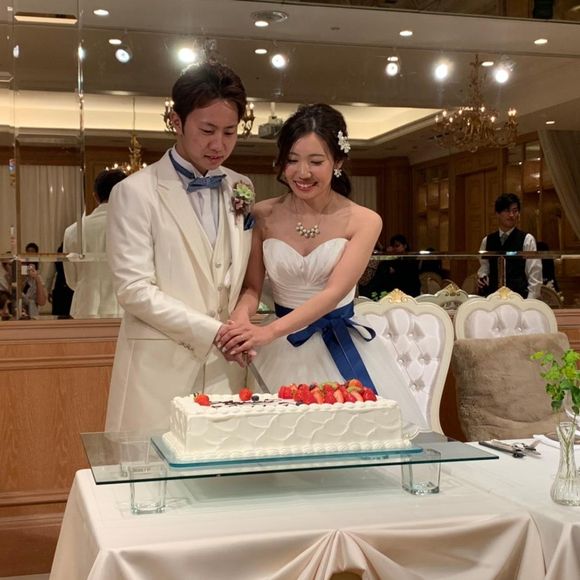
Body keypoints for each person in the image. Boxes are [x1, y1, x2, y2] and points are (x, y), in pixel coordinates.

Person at [217, 104, 426, 431]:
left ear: (337, 162)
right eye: (292, 160)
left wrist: (268, 332)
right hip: (279, 350)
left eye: (316, 162)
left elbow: (333, 293)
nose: (302, 173)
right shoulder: (261, 214)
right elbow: (252, 288)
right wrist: (241, 319)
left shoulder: (365, 220)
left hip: (337, 344)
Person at [105, 62, 254, 432]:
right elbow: (133, 289)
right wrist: (213, 331)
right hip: (158, 374)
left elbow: (238, 278)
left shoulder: (241, 186)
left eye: (230, 132)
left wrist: (240, 318)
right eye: (207, 130)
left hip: (226, 374)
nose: (218, 144)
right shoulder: (134, 192)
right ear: (176, 121)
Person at [63, 169, 127, 319]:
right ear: (125, 194)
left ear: (95, 196)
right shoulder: (136, 228)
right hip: (124, 309)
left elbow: (72, 280)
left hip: (85, 308)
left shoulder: (73, 231)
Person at [477, 193, 542, 299]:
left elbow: (535, 276)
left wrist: (529, 303)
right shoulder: (487, 240)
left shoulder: (527, 239)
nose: (511, 215)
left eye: (515, 211)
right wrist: (482, 276)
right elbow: (484, 267)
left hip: (519, 299)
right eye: (507, 211)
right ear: (497, 214)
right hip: (493, 299)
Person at [22, 242, 47, 318]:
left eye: (32, 252)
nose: (30, 255)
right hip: (20, 310)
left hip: (33, 311)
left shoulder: (40, 273)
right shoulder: (20, 269)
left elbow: (42, 302)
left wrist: (36, 278)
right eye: (28, 252)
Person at [50, 243, 74, 318]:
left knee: (59, 314)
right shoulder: (74, 254)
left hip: (60, 285)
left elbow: (50, 275)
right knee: (71, 313)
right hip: (70, 285)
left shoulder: (58, 254)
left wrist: (48, 290)